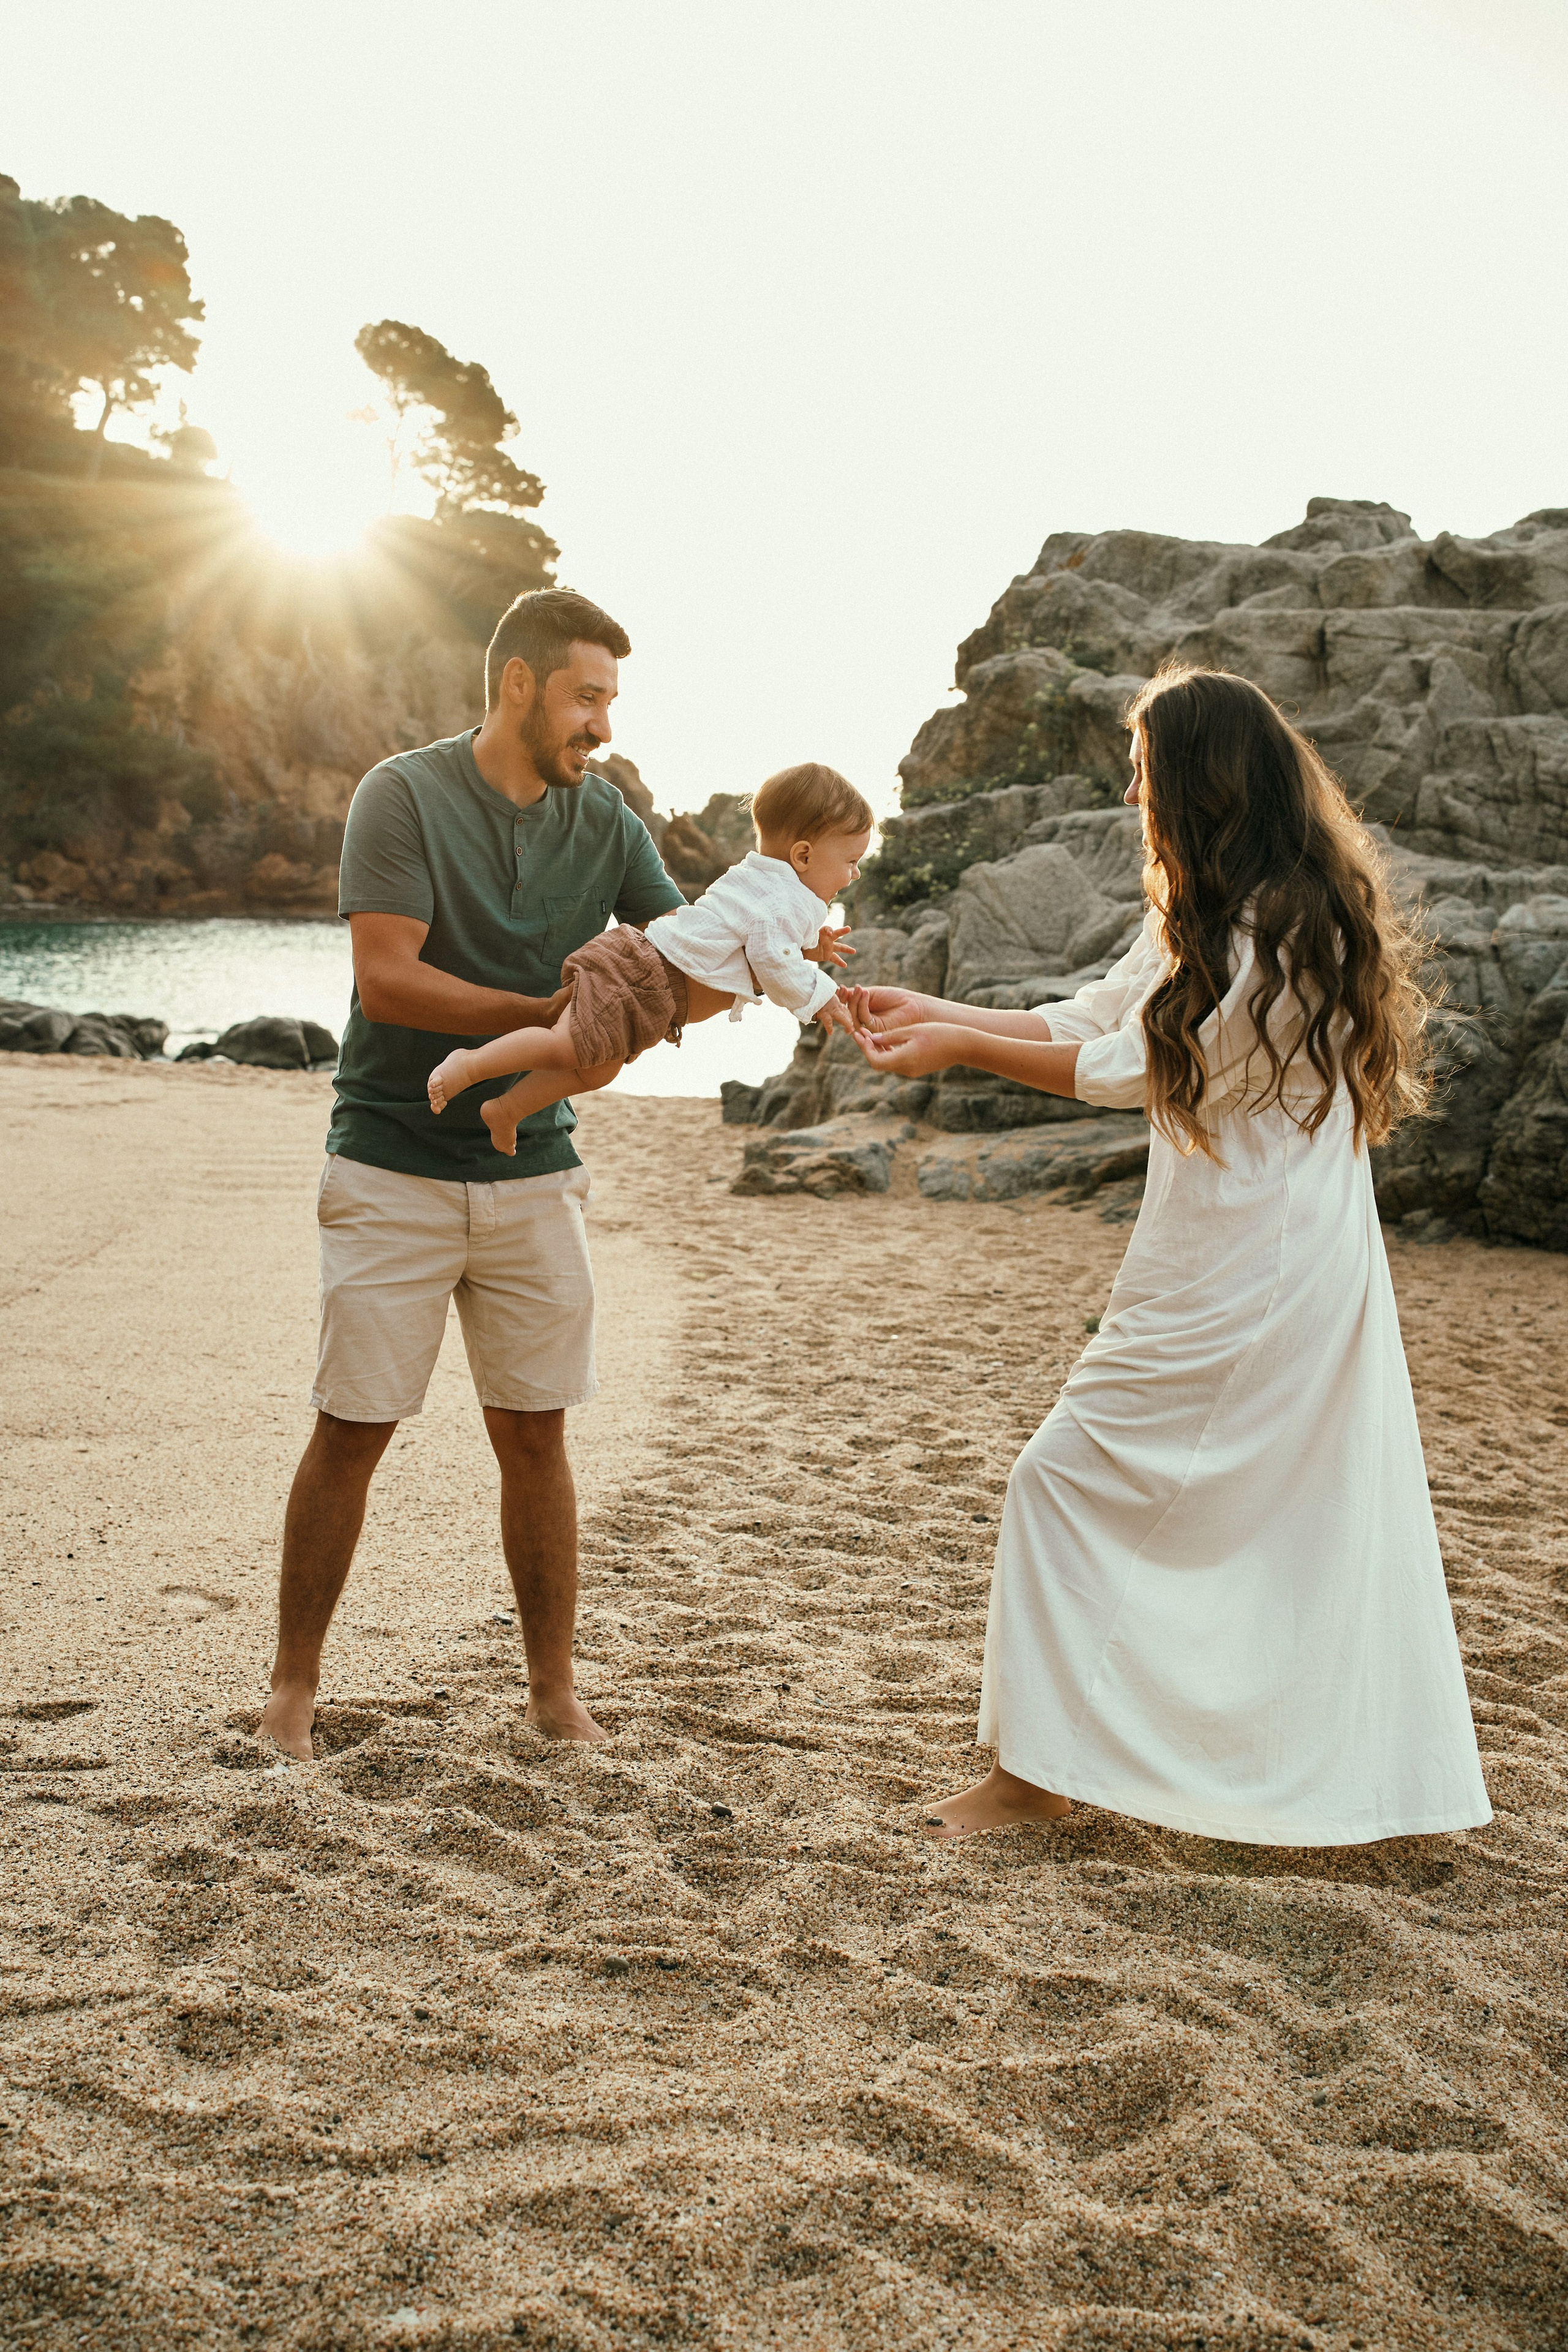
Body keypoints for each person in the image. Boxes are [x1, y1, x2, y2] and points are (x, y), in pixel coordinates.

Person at [849, 662, 1492, 1848]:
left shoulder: (1281, 931)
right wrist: (935, 1015)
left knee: (1061, 1480)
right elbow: (1095, 1017)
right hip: (1222, 1253)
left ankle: (1032, 1783)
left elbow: (1136, 1068)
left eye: (1145, 772)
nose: (1132, 795)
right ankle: (1061, 1765)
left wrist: (955, 1050)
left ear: (1204, 781)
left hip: (1262, 1268)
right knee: (1176, 1499)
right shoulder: (1216, 912)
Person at [259, 588, 687, 1762]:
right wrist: (550, 1020)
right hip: (390, 1162)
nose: (603, 724)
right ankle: (292, 1691)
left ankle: (552, 1693)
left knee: (537, 1435)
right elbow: (388, 979)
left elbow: (681, 953)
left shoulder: (606, 818)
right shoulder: (402, 793)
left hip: (534, 1175)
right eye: (586, 697)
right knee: (353, 1427)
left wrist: (788, 923)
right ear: (519, 685)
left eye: (611, 700)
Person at [426, 764, 872, 1152]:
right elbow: (771, 960)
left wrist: (809, 949)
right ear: (803, 855)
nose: (854, 874)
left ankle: (506, 1109)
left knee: (596, 1071)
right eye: (851, 861)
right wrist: (822, 995)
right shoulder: (782, 900)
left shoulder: (766, 885)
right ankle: (470, 1064)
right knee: (565, 1046)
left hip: (651, 988)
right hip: (643, 976)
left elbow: (762, 947)